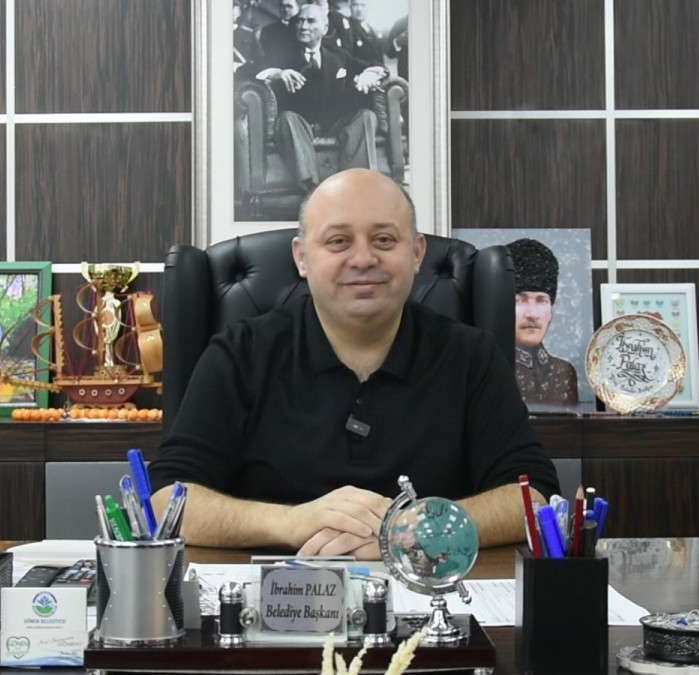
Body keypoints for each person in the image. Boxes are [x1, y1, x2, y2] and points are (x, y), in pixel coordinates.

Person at [150, 169, 559, 559]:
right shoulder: (239, 353)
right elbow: (167, 499)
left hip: (428, 587)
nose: (363, 258)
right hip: (275, 593)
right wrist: (291, 522)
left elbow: (533, 496)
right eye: (338, 242)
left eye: (384, 240)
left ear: (417, 253)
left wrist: (413, 531)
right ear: (302, 257)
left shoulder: (471, 355)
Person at [255, 4, 386, 192]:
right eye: (300, 21)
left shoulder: (337, 54)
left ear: (324, 28)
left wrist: (369, 74)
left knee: (366, 116)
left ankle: (354, 184)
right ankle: (311, 188)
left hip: (332, 122)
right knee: (287, 119)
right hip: (299, 126)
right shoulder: (282, 51)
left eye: (310, 21)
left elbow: (376, 67)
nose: (303, 26)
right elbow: (249, 70)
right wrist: (278, 73)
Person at [507, 238, 579, 405]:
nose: (532, 314)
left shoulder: (563, 371)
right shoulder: (489, 369)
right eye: (520, 300)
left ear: (551, 310)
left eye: (541, 300)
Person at [257, 0, 300, 69]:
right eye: (282, 6)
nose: (285, 10)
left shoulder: (303, 30)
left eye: (289, 6)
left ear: (298, 7)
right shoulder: (268, 31)